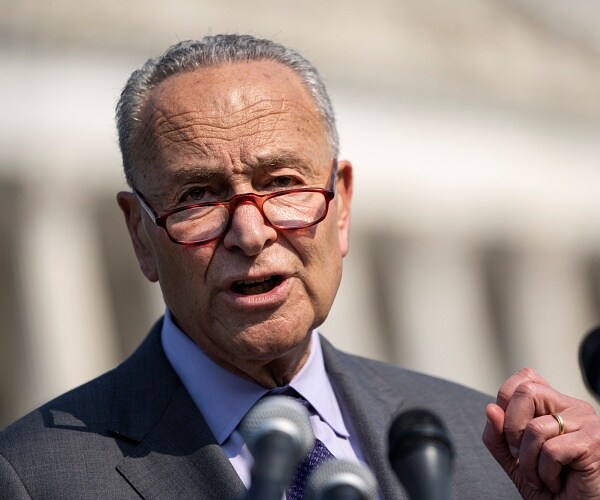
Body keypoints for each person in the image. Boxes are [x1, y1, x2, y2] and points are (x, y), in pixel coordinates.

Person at [1, 34, 599, 500]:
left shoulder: (482, 445)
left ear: (341, 207)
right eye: (198, 197)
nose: (251, 232)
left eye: (282, 184)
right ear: (140, 233)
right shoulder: (34, 477)